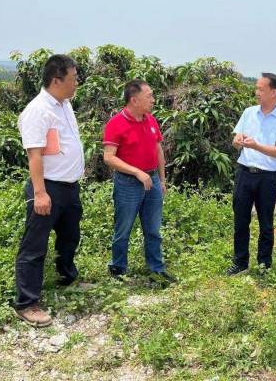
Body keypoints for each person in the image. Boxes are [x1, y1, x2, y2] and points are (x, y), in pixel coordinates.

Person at [14, 54, 84, 327]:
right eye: (73, 78)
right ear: (57, 80)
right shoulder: (38, 110)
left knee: (70, 236)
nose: (77, 83)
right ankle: (27, 303)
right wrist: (40, 193)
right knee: (34, 246)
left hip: (69, 187)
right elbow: (35, 155)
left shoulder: (64, 104)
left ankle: (67, 277)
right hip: (48, 187)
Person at [102, 79, 176, 284]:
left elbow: (158, 149)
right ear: (134, 100)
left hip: (152, 180)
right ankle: (118, 268)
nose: (153, 99)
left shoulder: (151, 120)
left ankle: (156, 269)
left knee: (153, 229)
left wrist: (162, 179)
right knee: (123, 228)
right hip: (128, 183)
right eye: (149, 96)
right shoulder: (116, 123)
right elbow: (109, 157)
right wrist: (136, 172)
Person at [225, 73, 276, 276]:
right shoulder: (248, 113)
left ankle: (264, 264)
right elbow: (235, 140)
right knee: (240, 221)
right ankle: (240, 263)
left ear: (274, 92)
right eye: (256, 88)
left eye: (260, 89)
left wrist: (255, 145)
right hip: (244, 173)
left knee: (266, 223)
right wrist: (237, 141)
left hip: (268, 177)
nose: (256, 92)